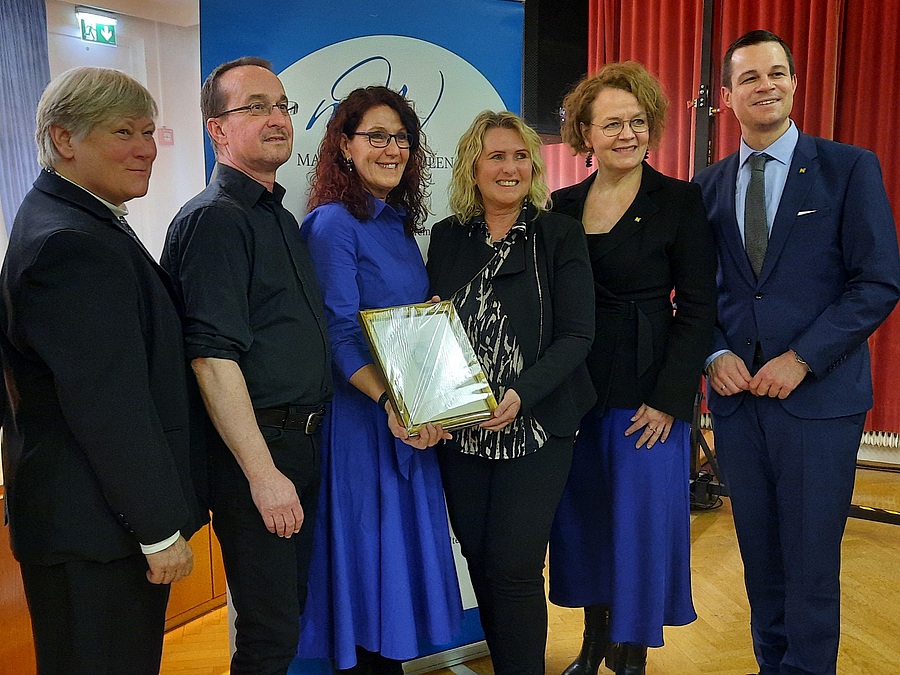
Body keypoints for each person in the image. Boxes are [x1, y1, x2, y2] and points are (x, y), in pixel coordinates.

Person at [694, 30, 900, 675]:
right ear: (727, 97)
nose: (768, 85)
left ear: (793, 82)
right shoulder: (706, 186)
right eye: (751, 77)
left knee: (811, 563)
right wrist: (712, 353)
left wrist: (803, 358)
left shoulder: (849, 167)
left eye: (778, 72)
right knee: (759, 558)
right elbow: (696, 293)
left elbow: (878, 281)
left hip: (819, 403)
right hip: (737, 405)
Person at [0, 66, 205, 673]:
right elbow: (109, 406)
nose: (146, 149)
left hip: (88, 525)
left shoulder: (71, 219)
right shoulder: (71, 243)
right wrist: (158, 529)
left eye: (149, 131)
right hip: (95, 535)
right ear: (65, 139)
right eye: (125, 132)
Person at [162, 57, 333, 675]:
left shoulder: (278, 217)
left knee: (285, 615)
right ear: (217, 129)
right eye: (255, 106)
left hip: (299, 445)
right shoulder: (215, 220)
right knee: (269, 631)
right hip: (257, 452)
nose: (277, 118)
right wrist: (263, 475)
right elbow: (211, 359)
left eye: (282, 105)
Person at [547, 62, 717, 675]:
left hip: (648, 393)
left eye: (637, 122)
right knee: (586, 522)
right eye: (611, 123)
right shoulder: (558, 207)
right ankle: (594, 645)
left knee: (640, 533)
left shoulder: (679, 200)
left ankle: (632, 656)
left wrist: (673, 399)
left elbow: (698, 310)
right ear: (584, 134)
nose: (626, 134)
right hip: (575, 391)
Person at [295, 85, 462, 674]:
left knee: (390, 593)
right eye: (376, 136)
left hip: (405, 423)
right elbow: (338, 334)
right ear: (345, 145)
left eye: (401, 138)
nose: (392, 148)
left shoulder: (393, 223)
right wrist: (395, 401)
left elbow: (400, 328)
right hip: (364, 428)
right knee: (367, 586)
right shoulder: (332, 225)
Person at [426, 110, 596, 675]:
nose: (510, 167)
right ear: (473, 167)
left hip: (541, 425)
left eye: (520, 155)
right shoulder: (448, 237)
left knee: (516, 566)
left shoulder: (558, 234)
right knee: (478, 554)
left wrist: (522, 393)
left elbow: (577, 335)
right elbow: (435, 326)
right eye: (496, 156)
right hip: (465, 428)